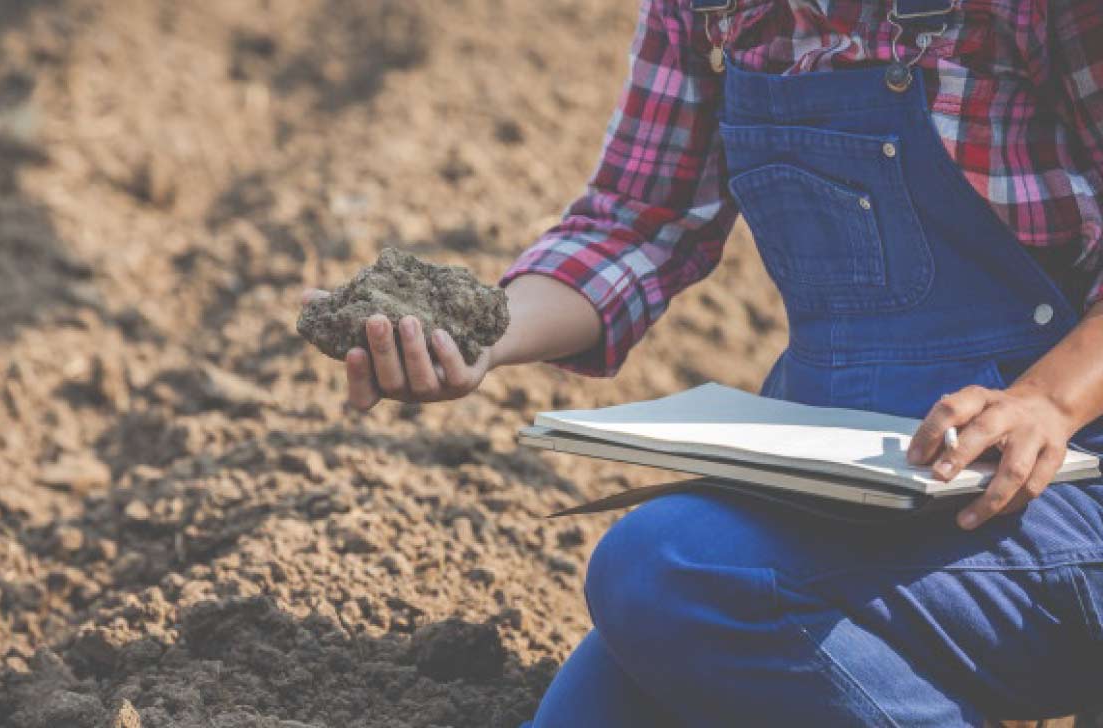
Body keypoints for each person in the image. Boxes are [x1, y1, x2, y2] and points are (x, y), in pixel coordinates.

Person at [302, 0, 1103, 723]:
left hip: (1050, 491)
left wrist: (1049, 401)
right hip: (844, 478)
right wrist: (481, 335)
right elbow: (636, 222)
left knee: (664, 571)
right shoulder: (711, 9)